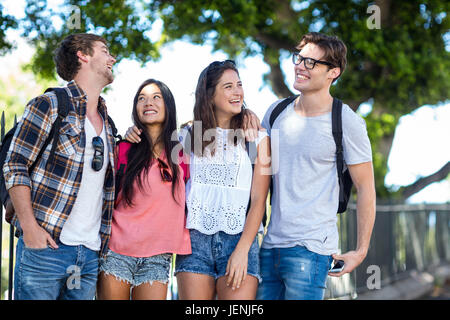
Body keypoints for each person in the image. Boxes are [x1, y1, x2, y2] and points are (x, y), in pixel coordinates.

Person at [256, 32, 376, 300]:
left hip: (311, 251)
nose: (300, 66)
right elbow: (256, 173)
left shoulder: (347, 122)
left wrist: (361, 250)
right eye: (299, 58)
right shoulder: (275, 113)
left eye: (311, 62)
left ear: (333, 72)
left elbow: (366, 187)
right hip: (269, 247)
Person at [3, 33, 117, 300]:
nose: (112, 58)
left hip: (88, 255)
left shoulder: (108, 124)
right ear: (83, 54)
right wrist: (30, 229)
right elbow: (15, 164)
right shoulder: (50, 105)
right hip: (46, 250)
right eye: (104, 50)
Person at [174, 60, 271, 300]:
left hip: (240, 239)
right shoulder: (188, 135)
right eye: (228, 86)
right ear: (209, 95)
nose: (238, 91)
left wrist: (242, 250)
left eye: (239, 84)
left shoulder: (258, 138)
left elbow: (259, 200)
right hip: (193, 241)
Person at [96, 79, 191, 300]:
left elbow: (213, 123)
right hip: (117, 251)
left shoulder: (183, 153)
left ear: (169, 105)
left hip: (159, 256)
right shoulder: (122, 148)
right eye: (142, 98)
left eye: (156, 97)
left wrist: (246, 116)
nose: (148, 102)